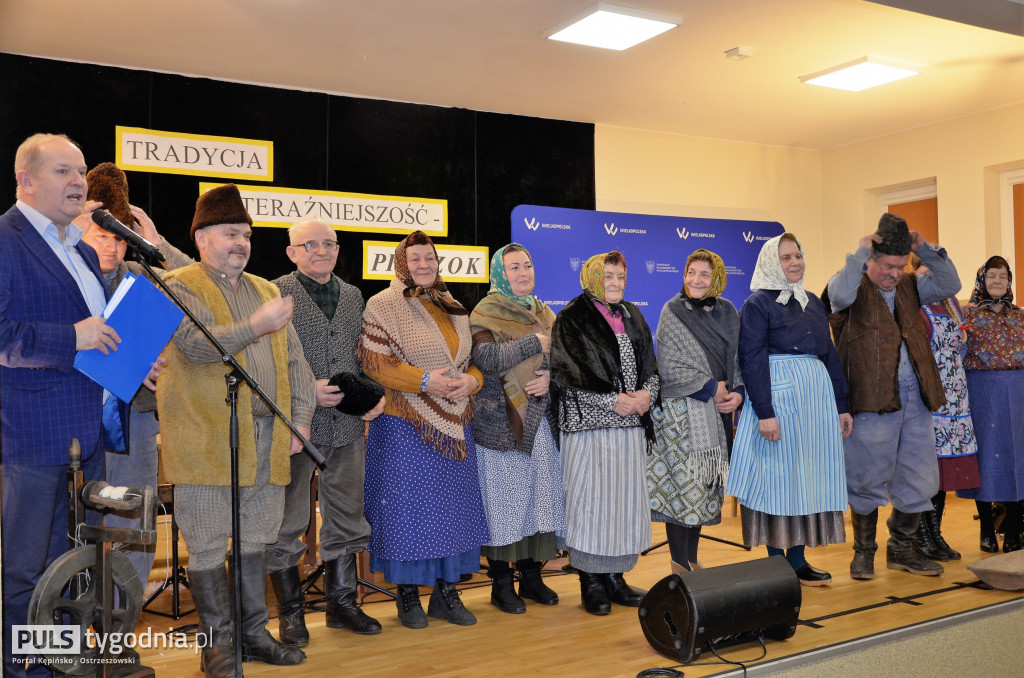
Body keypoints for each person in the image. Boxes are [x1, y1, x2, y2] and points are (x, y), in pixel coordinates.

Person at [156, 184, 315, 676]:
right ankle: (217, 646)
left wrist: (301, 421)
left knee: (256, 538)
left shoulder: (269, 290)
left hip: (269, 439)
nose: (241, 243)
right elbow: (198, 345)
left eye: (246, 234)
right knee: (206, 541)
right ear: (201, 237)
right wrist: (257, 324)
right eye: (230, 234)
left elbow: (297, 368)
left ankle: (251, 634)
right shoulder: (177, 284)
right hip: (207, 438)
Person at [0, 134, 133, 678]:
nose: (79, 182)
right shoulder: (6, 240)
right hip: (32, 437)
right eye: (63, 171)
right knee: (27, 570)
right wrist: (72, 337)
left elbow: (95, 337)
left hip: (88, 436)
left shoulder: (78, 249)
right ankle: (24, 669)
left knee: (71, 567)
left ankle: (62, 664)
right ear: (25, 180)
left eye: (80, 171)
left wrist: (127, 360)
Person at [357, 230, 488, 629]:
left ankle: (447, 593)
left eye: (429, 257)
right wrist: (426, 381)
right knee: (407, 513)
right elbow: (374, 363)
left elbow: (470, 361)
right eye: (415, 259)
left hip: (455, 419)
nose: (424, 265)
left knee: (451, 510)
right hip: (402, 424)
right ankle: (408, 596)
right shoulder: (382, 305)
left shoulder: (453, 305)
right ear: (402, 263)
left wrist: (473, 382)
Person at [266, 216, 385, 645]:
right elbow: (263, 361)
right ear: (292, 252)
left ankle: (342, 604)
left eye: (329, 244)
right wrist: (306, 390)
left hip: (347, 428)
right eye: (310, 245)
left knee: (348, 517)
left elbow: (361, 357)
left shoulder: (354, 296)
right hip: (297, 427)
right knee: (286, 520)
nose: (321, 251)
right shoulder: (274, 292)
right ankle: (291, 613)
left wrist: (371, 397)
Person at [824, 213, 961, 580]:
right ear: (871, 259)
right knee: (865, 479)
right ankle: (863, 553)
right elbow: (836, 296)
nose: (895, 273)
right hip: (870, 401)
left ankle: (901, 550)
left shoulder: (912, 286)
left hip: (916, 401)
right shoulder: (850, 286)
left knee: (918, 478)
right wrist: (860, 252)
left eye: (901, 266)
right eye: (888, 265)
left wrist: (924, 249)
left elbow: (950, 282)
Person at [77, 162, 192, 592]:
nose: (112, 247)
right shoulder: (65, 278)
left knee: (135, 516)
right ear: (82, 232)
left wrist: (158, 243)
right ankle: (79, 611)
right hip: (78, 417)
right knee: (81, 518)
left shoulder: (144, 277)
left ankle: (124, 621)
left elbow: (201, 289)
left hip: (136, 420)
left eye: (121, 238)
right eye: (102, 236)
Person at [727, 234, 851, 586]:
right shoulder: (757, 304)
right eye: (785, 257)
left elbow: (829, 355)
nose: (794, 262)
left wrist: (842, 406)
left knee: (805, 479)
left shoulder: (812, 301)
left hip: (815, 402)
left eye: (798, 255)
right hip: (778, 400)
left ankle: (798, 560)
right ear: (770, 261)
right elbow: (751, 359)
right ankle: (776, 563)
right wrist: (764, 411)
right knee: (777, 480)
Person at [550, 251, 659, 616]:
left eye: (621, 278)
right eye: (609, 276)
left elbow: (651, 368)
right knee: (591, 505)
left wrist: (647, 395)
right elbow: (566, 378)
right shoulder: (571, 318)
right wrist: (613, 402)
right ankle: (590, 582)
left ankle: (615, 578)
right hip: (589, 428)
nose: (615, 284)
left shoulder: (633, 315)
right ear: (594, 277)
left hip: (629, 428)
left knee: (622, 506)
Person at [469, 243, 565, 614]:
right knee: (505, 504)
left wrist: (551, 377)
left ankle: (531, 576)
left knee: (539, 499)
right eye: (514, 268)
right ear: (499, 274)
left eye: (527, 265)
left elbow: (566, 358)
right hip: (502, 426)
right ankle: (500, 583)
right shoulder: (486, 311)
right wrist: (534, 343)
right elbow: (487, 359)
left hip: (541, 423)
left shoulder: (545, 311)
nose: (523, 273)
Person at [649, 249, 742, 573]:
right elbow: (669, 365)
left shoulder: (729, 311)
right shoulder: (673, 310)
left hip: (718, 413)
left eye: (704, 274)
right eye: (691, 273)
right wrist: (710, 387)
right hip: (681, 415)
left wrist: (737, 394)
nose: (696, 280)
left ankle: (691, 559)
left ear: (716, 277)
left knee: (701, 488)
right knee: (682, 488)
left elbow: (739, 358)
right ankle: (679, 563)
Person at [908, 253, 980, 561]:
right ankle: (919, 536)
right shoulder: (915, 308)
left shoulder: (952, 303)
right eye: (924, 270)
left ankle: (935, 534)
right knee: (927, 472)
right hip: (930, 400)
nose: (930, 276)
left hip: (956, 401)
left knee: (945, 474)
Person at [957, 256, 1024, 553]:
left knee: (1017, 460)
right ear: (982, 279)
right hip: (981, 390)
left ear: (1010, 281)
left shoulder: (1021, 316)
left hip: (1018, 391)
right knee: (985, 460)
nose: (998, 280)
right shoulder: (966, 314)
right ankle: (986, 528)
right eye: (992, 275)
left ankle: (1012, 531)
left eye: (1003, 276)